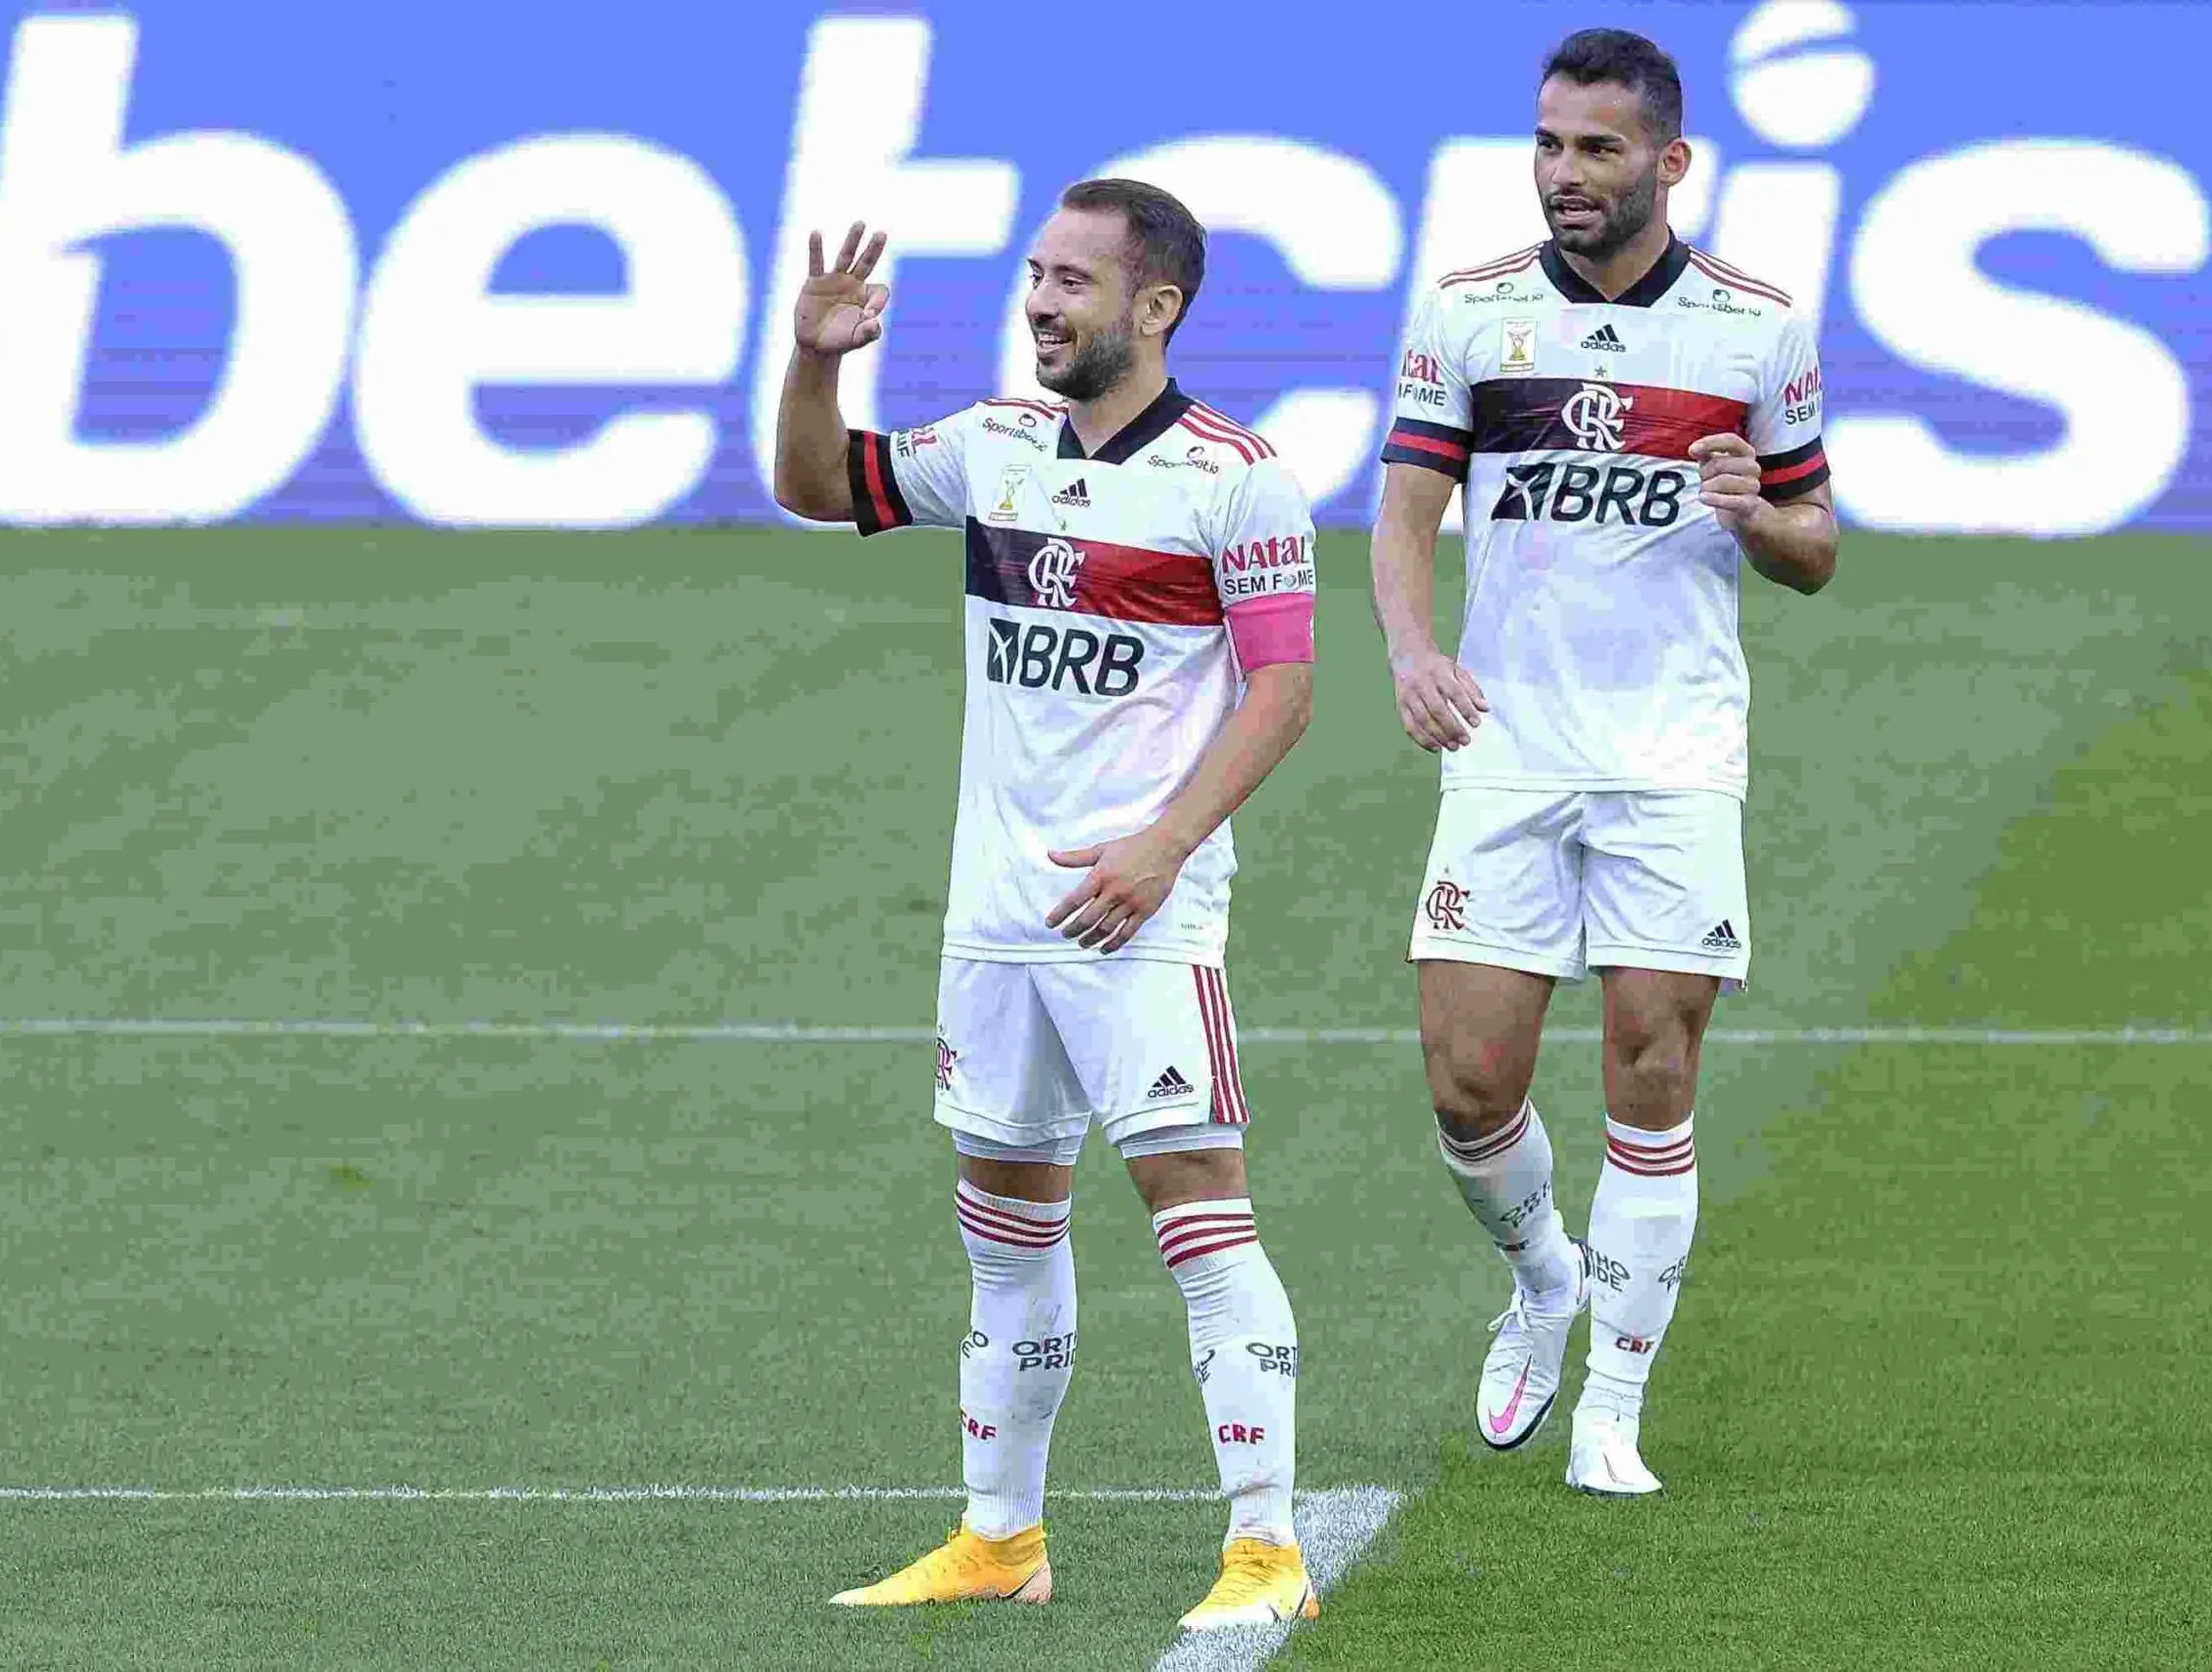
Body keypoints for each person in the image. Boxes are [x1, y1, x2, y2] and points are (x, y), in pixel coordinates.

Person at [770, 178, 1321, 1630]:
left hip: (1143, 919)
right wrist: (817, 361)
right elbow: (816, 488)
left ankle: (1267, 1549)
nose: (1040, 303)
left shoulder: (1235, 478)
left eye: (1073, 281)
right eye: (1035, 275)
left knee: (1200, 1216)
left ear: (1158, 306)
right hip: (997, 918)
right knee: (1004, 1228)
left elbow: (1285, 689)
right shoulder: (995, 446)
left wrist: (1165, 845)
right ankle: (1000, 1536)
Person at [1371, 26, 1839, 1497]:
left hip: (1675, 757)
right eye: (1548, 143)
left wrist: (1758, 516)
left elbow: (1816, 547)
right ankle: (1544, 1281)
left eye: (1597, 147)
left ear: (1670, 161)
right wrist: (1411, 648)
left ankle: (1612, 1413)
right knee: (1468, 1085)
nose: (1563, 173)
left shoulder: (1757, 329)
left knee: (1653, 1069)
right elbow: (1404, 510)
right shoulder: (1469, 312)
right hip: (1507, 746)